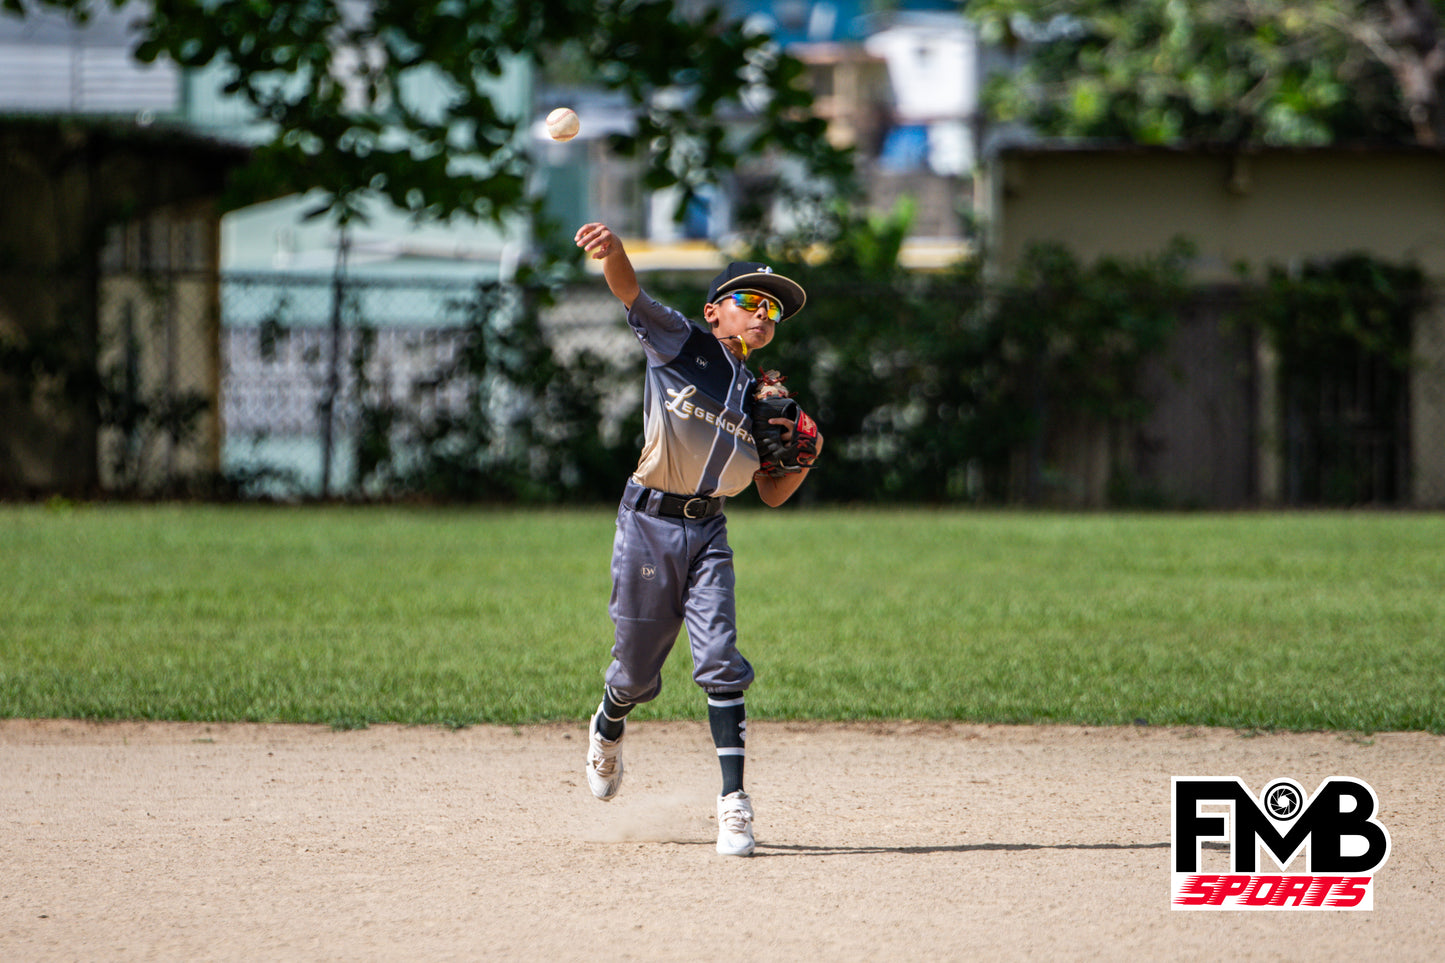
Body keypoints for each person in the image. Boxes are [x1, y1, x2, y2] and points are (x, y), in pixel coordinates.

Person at [573, 222, 821, 857]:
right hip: (649, 523)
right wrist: (615, 252)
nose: (763, 313)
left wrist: (800, 459)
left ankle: (733, 804)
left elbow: (771, 494)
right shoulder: (682, 344)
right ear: (715, 312)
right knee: (634, 671)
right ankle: (608, 723)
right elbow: (630, 293)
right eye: (749, 300)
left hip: (708, 529)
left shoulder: (766, 397)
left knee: (719, 661)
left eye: (772, 308)